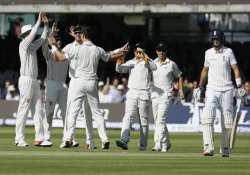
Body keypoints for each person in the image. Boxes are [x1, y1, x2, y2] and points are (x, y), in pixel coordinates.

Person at [48, 25, 128, 149]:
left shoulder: (76, 49)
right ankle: (104, 138)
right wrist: (120, 51)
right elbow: (109, 56)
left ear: (83, 35)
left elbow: (59, 58)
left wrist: (53, 46)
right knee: (97, 113)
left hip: (78, 82)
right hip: (92, 83)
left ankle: (69, 137)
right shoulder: (97, 49)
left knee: (73, 112)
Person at [197, 29, 244, 157]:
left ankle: (225, 148)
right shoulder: (208, 53)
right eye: (213, 39)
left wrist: (239, 85)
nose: (215, 41)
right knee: (207, 117)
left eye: (217, 39)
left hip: (227, 89)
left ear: (221, 39)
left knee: (227, 121)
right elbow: (205, 71)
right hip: (211, 88)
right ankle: (208, 148)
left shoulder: (229, 52)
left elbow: (235, 69)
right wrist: (200, 87)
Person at [15, 12, 49, 147]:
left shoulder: (33, 47)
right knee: (23, 109)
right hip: (26, 80)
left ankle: (39, 137)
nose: (31, 35)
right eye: (29, 33)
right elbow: (34, 34)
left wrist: (46, 25)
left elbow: (44, 37)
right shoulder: (23, 45)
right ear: (25, 36)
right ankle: (19, 139)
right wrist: (38, 22)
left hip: (34, 81)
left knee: (38, 109)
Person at [115, 43, 157, 150]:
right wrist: (121, 56)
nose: (139, 54)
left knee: (143, 121)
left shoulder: (147, 62)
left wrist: (146, 57)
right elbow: (119, 69)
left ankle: (143, 146)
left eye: (141, 52)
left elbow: (154, 67)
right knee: (128, 116)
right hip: (132, 93)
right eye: (138, 52)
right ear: (134, 52)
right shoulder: (131, 62)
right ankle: (124, 140)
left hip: (144, 94)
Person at [151, 43, 184, 152]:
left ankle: (162, 144)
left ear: (166, 51)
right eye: (159, 50)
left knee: (161, 120)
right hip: (154, 94)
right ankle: (165, 142)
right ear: (156, 51)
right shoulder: (152, 63)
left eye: (163, 50)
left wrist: (180, 90)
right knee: (158, 121)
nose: (161, 52)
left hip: (166, 95)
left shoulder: (171, 64)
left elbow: (179, 76)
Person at [41, 23, 68, 147]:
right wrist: (50, 33)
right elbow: (44, 46)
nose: (58, 42)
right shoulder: (50, 53)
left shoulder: (66, 53)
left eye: (59, 40)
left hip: (63, 85)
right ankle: (46, 137)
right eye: (56, 40)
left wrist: (53, 37)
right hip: (51, 84)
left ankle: (67, 138)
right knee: (49, 112)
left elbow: (62, 56)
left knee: (66, 113)